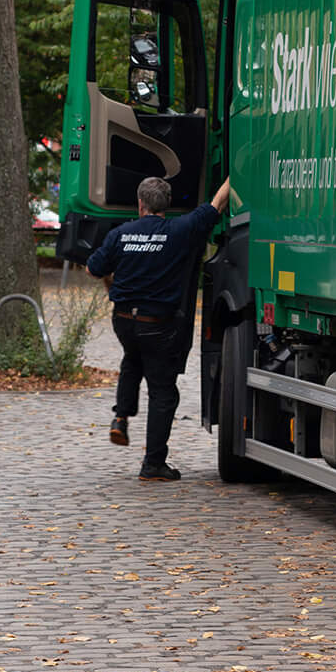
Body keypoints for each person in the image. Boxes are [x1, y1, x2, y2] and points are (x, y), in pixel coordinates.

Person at [86, 175, 231, 481]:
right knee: (163, 392)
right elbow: (218, 203)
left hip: (124, 321)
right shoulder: (181, 230)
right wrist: (237, 170)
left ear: (140, 203)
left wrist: (114, 284)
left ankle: (120, 418)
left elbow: (92, 268)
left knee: (132, 359)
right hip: (158, 326)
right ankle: (153, 463)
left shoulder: (120, 234)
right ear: (166, 204)